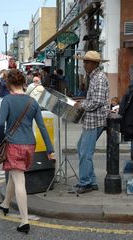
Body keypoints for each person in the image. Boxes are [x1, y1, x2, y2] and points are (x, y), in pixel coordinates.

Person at [0, 69, 55, 234]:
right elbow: (42, 127)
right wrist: (50, 149)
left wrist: (1, 139)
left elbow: (0, 124)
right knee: (14, 175)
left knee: (19, 180)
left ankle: (24, 221)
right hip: (30, 145)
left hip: (14, 144)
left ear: (9, 84)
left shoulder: (7, 100)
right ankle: (6, 204)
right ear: (23, 83)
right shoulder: (32, 102)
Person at [69, 50, 109, 194]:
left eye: (86, 62)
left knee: (85, 152)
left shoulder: (98, 78)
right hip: (92, 120)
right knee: (82, 148)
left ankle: (85, 183)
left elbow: (97, 101)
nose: (84, 64)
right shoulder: (94, 77)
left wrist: (82, 105)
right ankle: (91, 181)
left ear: (94, 64)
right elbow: (94, 99)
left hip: (94, 120)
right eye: (84, 61)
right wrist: (82, 101)